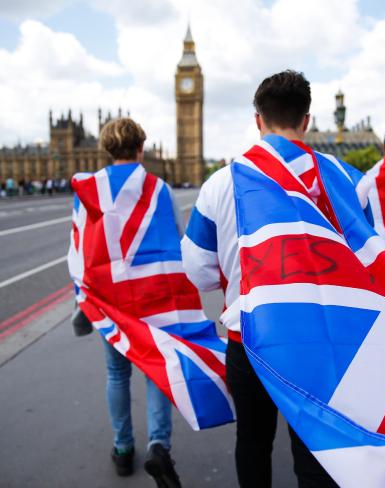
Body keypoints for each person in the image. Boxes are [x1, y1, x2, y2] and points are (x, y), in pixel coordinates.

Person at [181, 71, 337, 488]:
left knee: (253, 441)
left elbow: (196, 269)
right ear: (306, 120)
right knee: (316, 448)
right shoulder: (340, 179)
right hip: (322, 339)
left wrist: (234, 275)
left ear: (258, 120)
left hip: (249, 338)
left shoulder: (220, 183)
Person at [67, 118, 182, 487]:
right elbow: (176, 240)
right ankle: (159, 445)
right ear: (140, 148)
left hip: (109, 301)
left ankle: (122, 449)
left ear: (107, 150)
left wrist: (80, 300)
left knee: (117, 374)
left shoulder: (89, 188)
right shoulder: (159, 188)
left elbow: (79, 248)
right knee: (155, 372)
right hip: (152, 299)